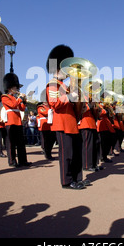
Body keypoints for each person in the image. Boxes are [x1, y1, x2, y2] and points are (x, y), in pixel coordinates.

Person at [46, 44, 90, 190]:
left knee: (76, 153)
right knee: (67, 155)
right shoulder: (52, 84)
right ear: (59, 68)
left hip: (72, 124)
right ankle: (66, 181)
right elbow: (54, 103)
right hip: (62, 123)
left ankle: (77, 178)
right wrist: (70, 97)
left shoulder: (65, 86)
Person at [1, 73, 31, 168]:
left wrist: (24, 101)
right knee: (11, 143)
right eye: (15, 87)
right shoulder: (5, 97)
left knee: (21, 143)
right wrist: (20, 98)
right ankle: (12, 161)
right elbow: (13, 105)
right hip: (10, 122)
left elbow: (21, 108)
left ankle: (23, 160)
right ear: (10, 88)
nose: (16, 89)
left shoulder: (15, 98)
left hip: (18, 121)